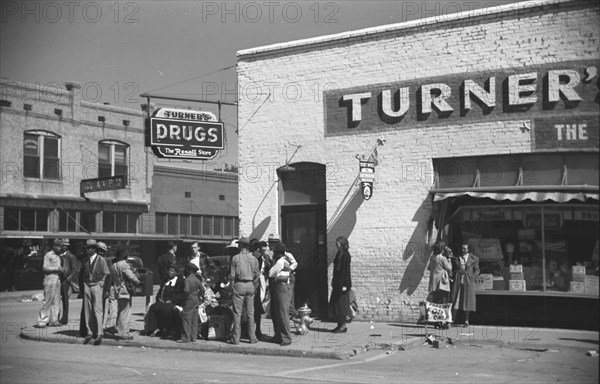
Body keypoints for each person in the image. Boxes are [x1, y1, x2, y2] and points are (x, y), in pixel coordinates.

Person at [228, 237, 259, 344]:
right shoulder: (253, 259)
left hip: (239, 284)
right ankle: (252, 337)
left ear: (241, 246)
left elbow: (232, 276)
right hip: (250, 285)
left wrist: (232, 287)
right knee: (250, 312)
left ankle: (236, 338)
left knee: (237, 313)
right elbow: (257, 275)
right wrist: (253, 286)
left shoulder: (235, 258)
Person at [81, 239, 110, 345]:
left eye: (90, 248)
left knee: (98, 309)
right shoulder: (86, 260)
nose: (88, 250)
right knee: (88, 310)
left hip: (97, 285)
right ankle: (90, 331)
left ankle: (99, 332)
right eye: (87, 248)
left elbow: (106, 273)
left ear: (94, 249)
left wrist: (102, 282)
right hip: (87, 285)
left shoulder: (101, 260)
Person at [143, 265, 184, 338]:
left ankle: (168, 329)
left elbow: (180, 295)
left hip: (172, 302)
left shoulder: (179, 282)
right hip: (162, 301)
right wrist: (159, 298)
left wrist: (171, 300)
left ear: (176, 273)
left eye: (172, 271)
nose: (169, 272)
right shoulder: (165, 281)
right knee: (153, 307)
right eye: (169, 270)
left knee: (167, 310)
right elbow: (159, 293)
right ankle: (154, 329)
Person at [110, 247, 140, 340]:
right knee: (125, 313)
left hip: (117, 290)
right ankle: (123, 334)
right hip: (125, 291)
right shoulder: (123, 265)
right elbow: (131, 276)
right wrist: (137, 280)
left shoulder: (113, 265)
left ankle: (120, 331)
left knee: (120, 311)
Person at [269, 242, 294, 346]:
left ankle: (286, 337)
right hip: (285, 287)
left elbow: (271, 273)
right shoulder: (285, 260)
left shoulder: (279, 262)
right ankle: (280, 336)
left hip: (281, 287)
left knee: (282, 314)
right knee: (280, 313)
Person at [451, 242, 480, 327]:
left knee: (467, 301)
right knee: (456, 300)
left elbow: (477, 269)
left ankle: (466, 321)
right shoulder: (457, 258)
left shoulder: (474, 258)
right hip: (458, 280)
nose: (463, 250)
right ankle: (452, 320)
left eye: (465, 248)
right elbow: (453, 269)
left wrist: (473, 277)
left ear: (468, 249)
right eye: (462, 248)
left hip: (468, 281)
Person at [36, 239, 63, 328]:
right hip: (49, 278)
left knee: (56, 300)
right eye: (58, 246)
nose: (60, 248)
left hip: (57, 278)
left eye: (60, 246)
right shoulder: (48, 255)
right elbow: (45, 267)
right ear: (54, 246)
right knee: (47, 300)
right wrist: (57, 268)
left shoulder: (59, 256)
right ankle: (42, 322)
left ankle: (54, 320)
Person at [329, 236, 352, 333]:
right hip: (337, 283)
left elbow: (346, 271)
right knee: (336, 305)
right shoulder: (339, 253)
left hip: (343, 284)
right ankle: (339, 324)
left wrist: (345, 285)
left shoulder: (345, 255)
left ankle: (343, 326)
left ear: (342, 244)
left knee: (341, 305)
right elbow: (337, 270)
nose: (336, 245)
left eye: (337, 243)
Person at [178, 262, 204, 343]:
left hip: (189, 299)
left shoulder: (187, 279)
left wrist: (183, 300)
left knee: (186, 318)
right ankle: (194, 336)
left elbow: (186, 290)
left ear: (188, 270)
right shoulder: (197, 279)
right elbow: (202, 290)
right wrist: (199, 296)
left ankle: (186, 337)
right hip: (196, 299)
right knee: (194, 319)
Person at [58, 239, 75, 325]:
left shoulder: (70, 256)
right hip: (58, 278)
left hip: (65, 279)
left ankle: (64, 318)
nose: (64, 246)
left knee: (65, 299)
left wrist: (69, 279)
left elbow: (74, 269)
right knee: (56, 299)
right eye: (63, 245)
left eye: (65, 245)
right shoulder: (59, 255)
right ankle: (55, 318)